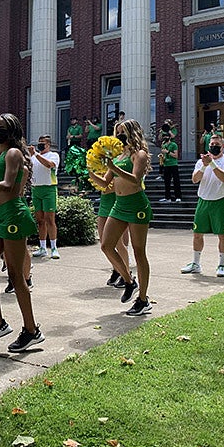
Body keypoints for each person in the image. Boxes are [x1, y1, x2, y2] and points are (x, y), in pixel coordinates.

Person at [0, 113, 43, 353]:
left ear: (13, 131)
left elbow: (7, 185)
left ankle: (32, 330)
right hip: (1, 215)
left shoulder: (14, 153)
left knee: (15, 276)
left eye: (2, 128)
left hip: (14, 215)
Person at [89, 119, 153, 316]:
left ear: (132, 133)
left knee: (139, 251)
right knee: (106, 245)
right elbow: (105, 182)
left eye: (122, 133)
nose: (119, 137)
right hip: (119, 205)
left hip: (136, 205)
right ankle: (128, 280)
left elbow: (135, 179)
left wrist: (113, 167)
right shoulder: (117, 156)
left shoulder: (139, 154)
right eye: (117, 133)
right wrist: (90, 171)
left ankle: (143, 299)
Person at [181, 133, 224, 278]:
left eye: (217, 145)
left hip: (221, 201)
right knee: (197, 234)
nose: (214, 147)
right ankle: (195, 263)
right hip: (203, 200)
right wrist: (204, 166)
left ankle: (222, 265)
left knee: (222, 234)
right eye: (212, 145)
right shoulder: (201, 162)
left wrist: (211, 164)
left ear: (223, 146)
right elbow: (195, 179)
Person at [90, 179, 131, 289]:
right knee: (104, 243)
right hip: (104, 201)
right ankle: (116, 270)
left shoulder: (117, 164)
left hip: (116, 199)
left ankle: (127, 273)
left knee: (118, 243)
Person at [29, 134, 60, 259]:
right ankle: (42, 247)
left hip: (49, 189)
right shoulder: (33, 157)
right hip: (36, 189)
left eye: (43, 142)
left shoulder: (53, 155)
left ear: (48, 145)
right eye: (39, 142)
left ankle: (53, 247)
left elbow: (49, 165)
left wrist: (36, 154)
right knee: (40, 220)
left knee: (50, 219)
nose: (40, 144)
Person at [158, 133, 182, 203]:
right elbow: (164, 155)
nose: (165, 137)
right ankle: (167, 197)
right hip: (166, 165)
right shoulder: (164, 145)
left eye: (166, 136)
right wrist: (162, 157)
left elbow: (176, 156)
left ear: (169, 137)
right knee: (166, 182)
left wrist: (167, 152)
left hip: (173, 165)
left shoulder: (174, 145)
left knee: (176, 181)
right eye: (164, 136)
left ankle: (178, 197)